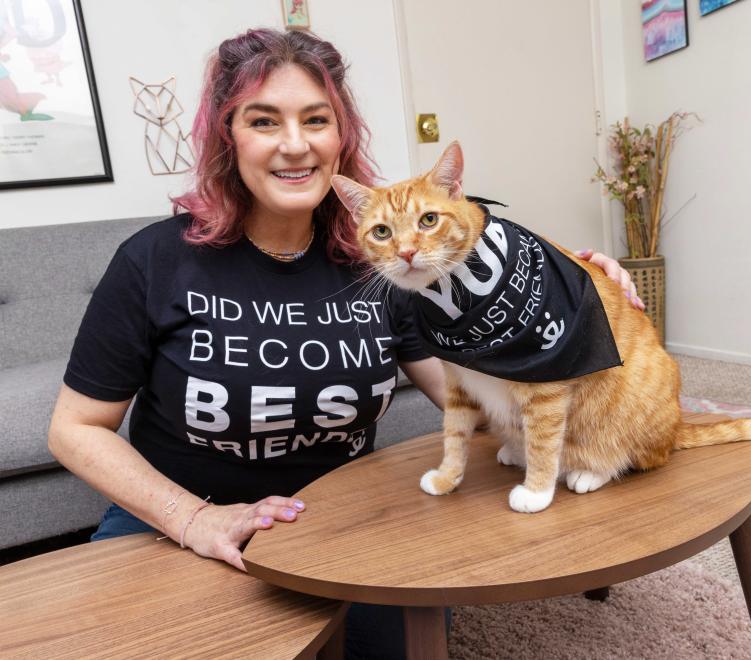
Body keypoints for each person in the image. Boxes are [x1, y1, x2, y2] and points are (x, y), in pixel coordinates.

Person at [48, 28, 642, 659]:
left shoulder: (382, 265)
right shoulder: (154, 260)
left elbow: (471, 391)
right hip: (172, 519)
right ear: (229, 137)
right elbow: (74, 428)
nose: (295, 144)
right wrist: (195, 520)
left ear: (341, 136)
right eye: (263, 120)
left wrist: (574, 303)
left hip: (339, 522)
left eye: (316, 119)